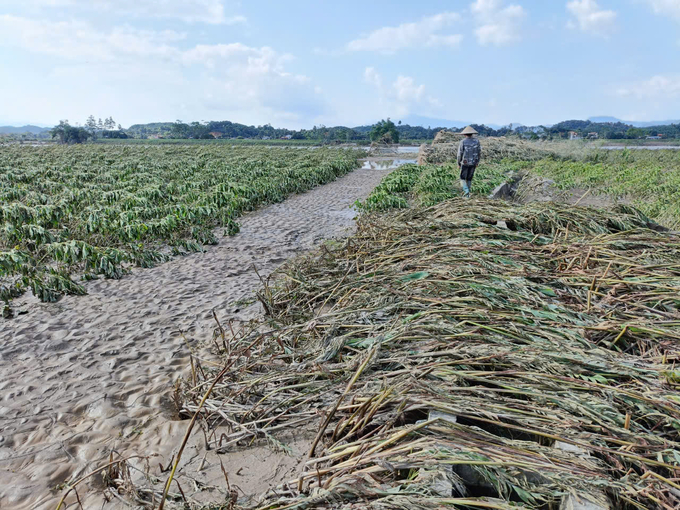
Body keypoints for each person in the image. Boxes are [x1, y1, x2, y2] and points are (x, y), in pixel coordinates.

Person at [457, 126, 481, 199]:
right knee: (469, 178)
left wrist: (458, 163)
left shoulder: (463, 142)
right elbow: (479, 152)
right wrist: (477, 162)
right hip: (473, 163)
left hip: (465, 163)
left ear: (465, 134)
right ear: (472, 134)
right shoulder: (477, 141)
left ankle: (466, 192)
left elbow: (459, 154)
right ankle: (468, 194)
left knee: (462, 178)